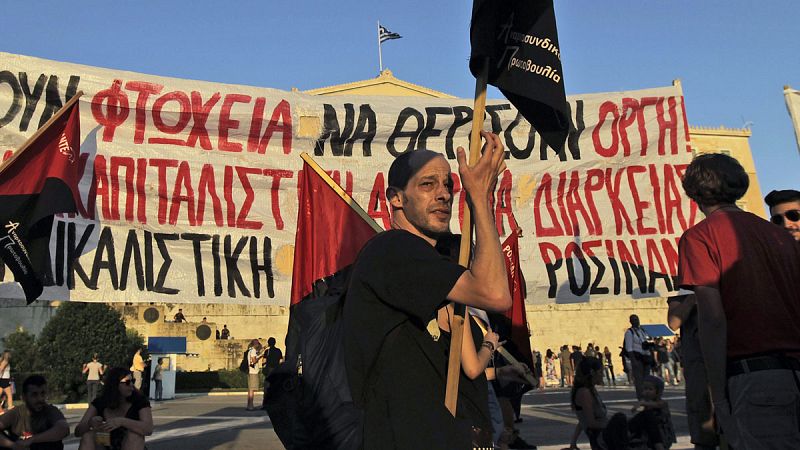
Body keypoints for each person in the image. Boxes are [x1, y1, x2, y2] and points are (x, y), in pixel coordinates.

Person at [342, 132, 512, 449]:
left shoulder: (432, 263)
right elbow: (495, 293)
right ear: (396, 197)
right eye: (427, 184)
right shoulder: (392, 250)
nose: (444, 194)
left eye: (449, 184)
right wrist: (480, 197)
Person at [678, 153, 800, 448]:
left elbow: (713, 319)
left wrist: (718, 397)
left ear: (694, 193)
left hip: (755, 380)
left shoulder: (700, 238)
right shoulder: (780, 237)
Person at [667, 294, 718, 450]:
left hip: (726, 361)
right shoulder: (682, 293)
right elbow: (673, 323)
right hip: (699, 367)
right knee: (704, 428)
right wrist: (692, 299)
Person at [75, 368, 153, 450]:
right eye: (127, 382)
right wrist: (90, 423)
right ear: (114, 385)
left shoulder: (139, 401)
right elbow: (78, 431)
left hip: (131, 445)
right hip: (104, 443)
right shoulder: (100, 402)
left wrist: (122, 421)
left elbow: (148, 429)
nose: (131, 385)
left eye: (132, 381)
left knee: (135, 436)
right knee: (88, 436)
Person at [0, 375, 69, 450]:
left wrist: (32, 440)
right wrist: (12, 445)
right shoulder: (15, 413)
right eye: (34, 395)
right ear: (23, 397)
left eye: (43, 394)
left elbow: (63, 428)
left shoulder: (51, 410)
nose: (40, 399)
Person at [623, 314, 652, 400]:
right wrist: (633, 361)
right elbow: (629, 348)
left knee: (647, 379)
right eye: (634, 320)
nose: (636, 321)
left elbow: (645, 342)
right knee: (639, 381)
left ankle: (647, 397)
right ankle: (641, 398)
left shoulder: (642, 331)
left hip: (645, 358)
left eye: (637, 319)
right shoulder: (629, 332)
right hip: (637, 358)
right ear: (631, 321)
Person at [245, 339, 262, 411]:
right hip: (253, 372)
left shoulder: (250, 351)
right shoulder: (253, 351)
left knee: (250, 389)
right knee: (252, 390)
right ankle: (251, 406)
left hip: (250, 371)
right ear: (256, 344)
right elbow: (254, 361)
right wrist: (260, 357)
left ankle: (249, 405)